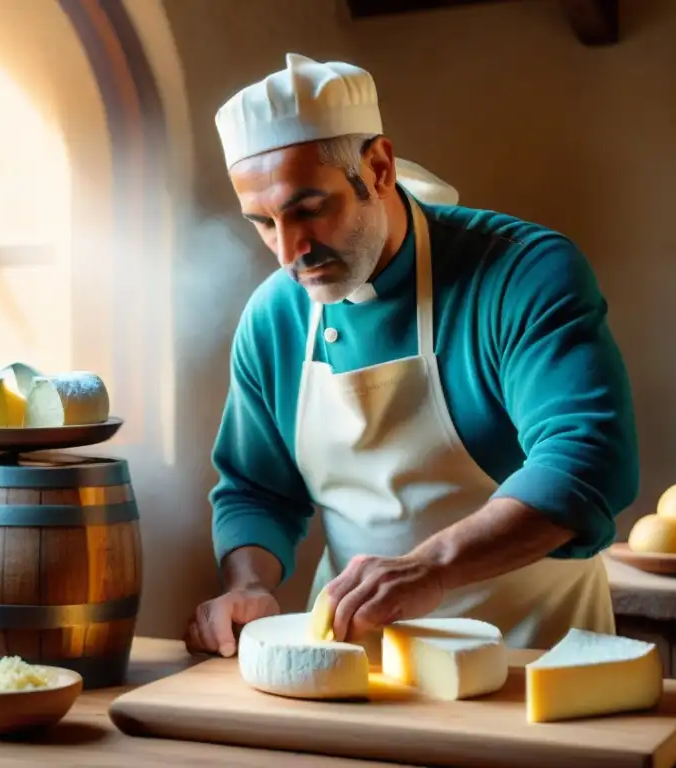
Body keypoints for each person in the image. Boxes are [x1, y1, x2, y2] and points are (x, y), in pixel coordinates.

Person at [185, 53, 639, 658]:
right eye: (263, 223)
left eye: (308, 210)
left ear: (377, 168)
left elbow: (589, 461)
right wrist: (248, 585)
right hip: (356, 665)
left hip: (534, 660)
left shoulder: (519, 273)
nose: (288, 251)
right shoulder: (275, 316)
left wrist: (431, 568)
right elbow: (256, 489)